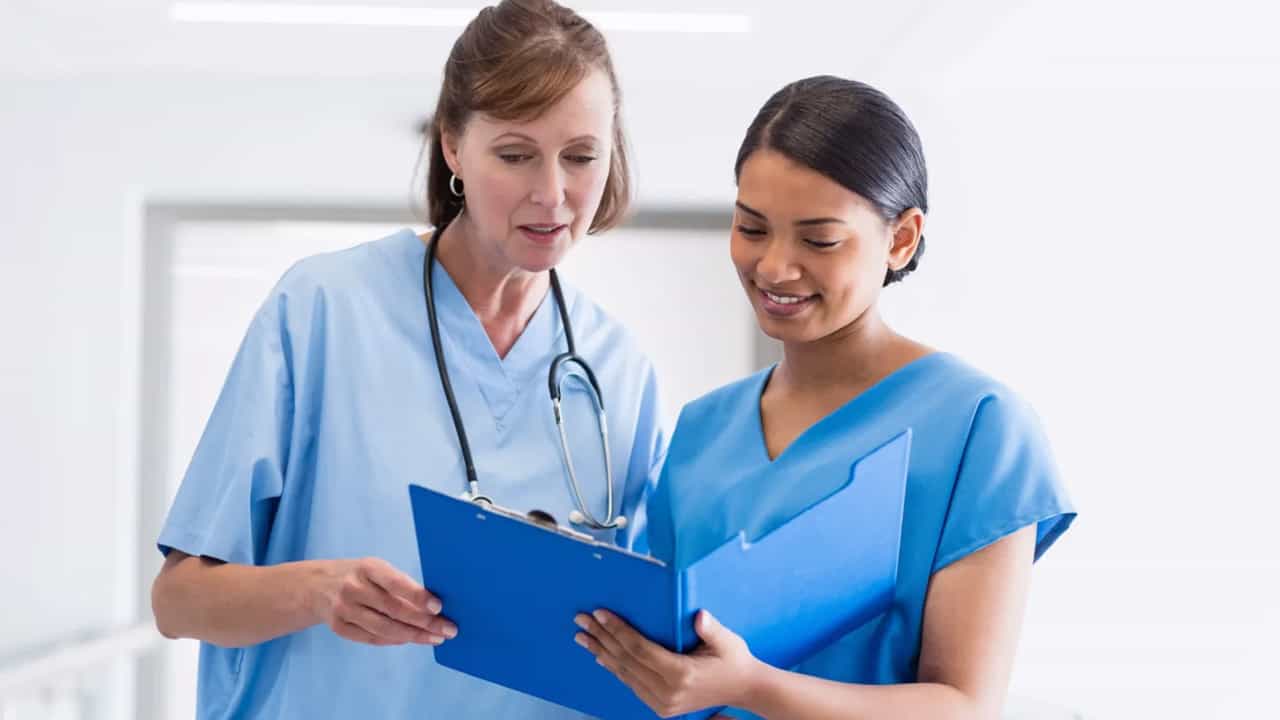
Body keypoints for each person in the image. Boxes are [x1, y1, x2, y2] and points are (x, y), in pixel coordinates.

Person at [149, 1, 666, 717]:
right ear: (453, 146)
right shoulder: (324, 310)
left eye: (581, 156)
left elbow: (639, 642)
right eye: (515, 155)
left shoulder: (617, 370)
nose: (552, 194)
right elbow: (177, 601)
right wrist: (318, 591)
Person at [573, 75, 1076, 720]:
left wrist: (750, 686)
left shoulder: (979, 428)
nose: (774, 267)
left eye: (819, 240)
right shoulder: (703, 430)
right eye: (752, 228)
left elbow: (964, 707)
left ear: (901, 239)